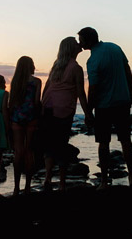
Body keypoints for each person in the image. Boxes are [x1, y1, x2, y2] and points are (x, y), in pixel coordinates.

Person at [77, 26, 132, 189]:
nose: (79, 43)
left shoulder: (93, 60)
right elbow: (127, 70)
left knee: (104, 143)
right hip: (123, 102)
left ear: (88, 40)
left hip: (104, 106)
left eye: (81, 40)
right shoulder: (115, 47)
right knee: (126, 140)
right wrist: (131, 91)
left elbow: (93, 88)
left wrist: (88, 112)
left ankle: (104, 180)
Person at [41, 37, 88, 191]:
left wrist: (41, 106)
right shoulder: (76, 68)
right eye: (75, 42)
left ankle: (47, 178)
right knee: (61, 145)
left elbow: (46, 88)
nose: (78, 44)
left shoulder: (56, 66)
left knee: (49, 145)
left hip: (48, 107)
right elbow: (81, 93)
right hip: (63, 110)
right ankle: (61, 183)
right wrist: (88, 113)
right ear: (70, 48)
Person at [8, 55, 42, 195]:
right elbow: (36, 102)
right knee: (29, 152)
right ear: (30, 66)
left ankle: (16, 188)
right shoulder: (37, 81)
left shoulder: (15, 82)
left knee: (18, 152)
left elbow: (12, 102)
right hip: (31, 117)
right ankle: (27, 187)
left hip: (16, 117)